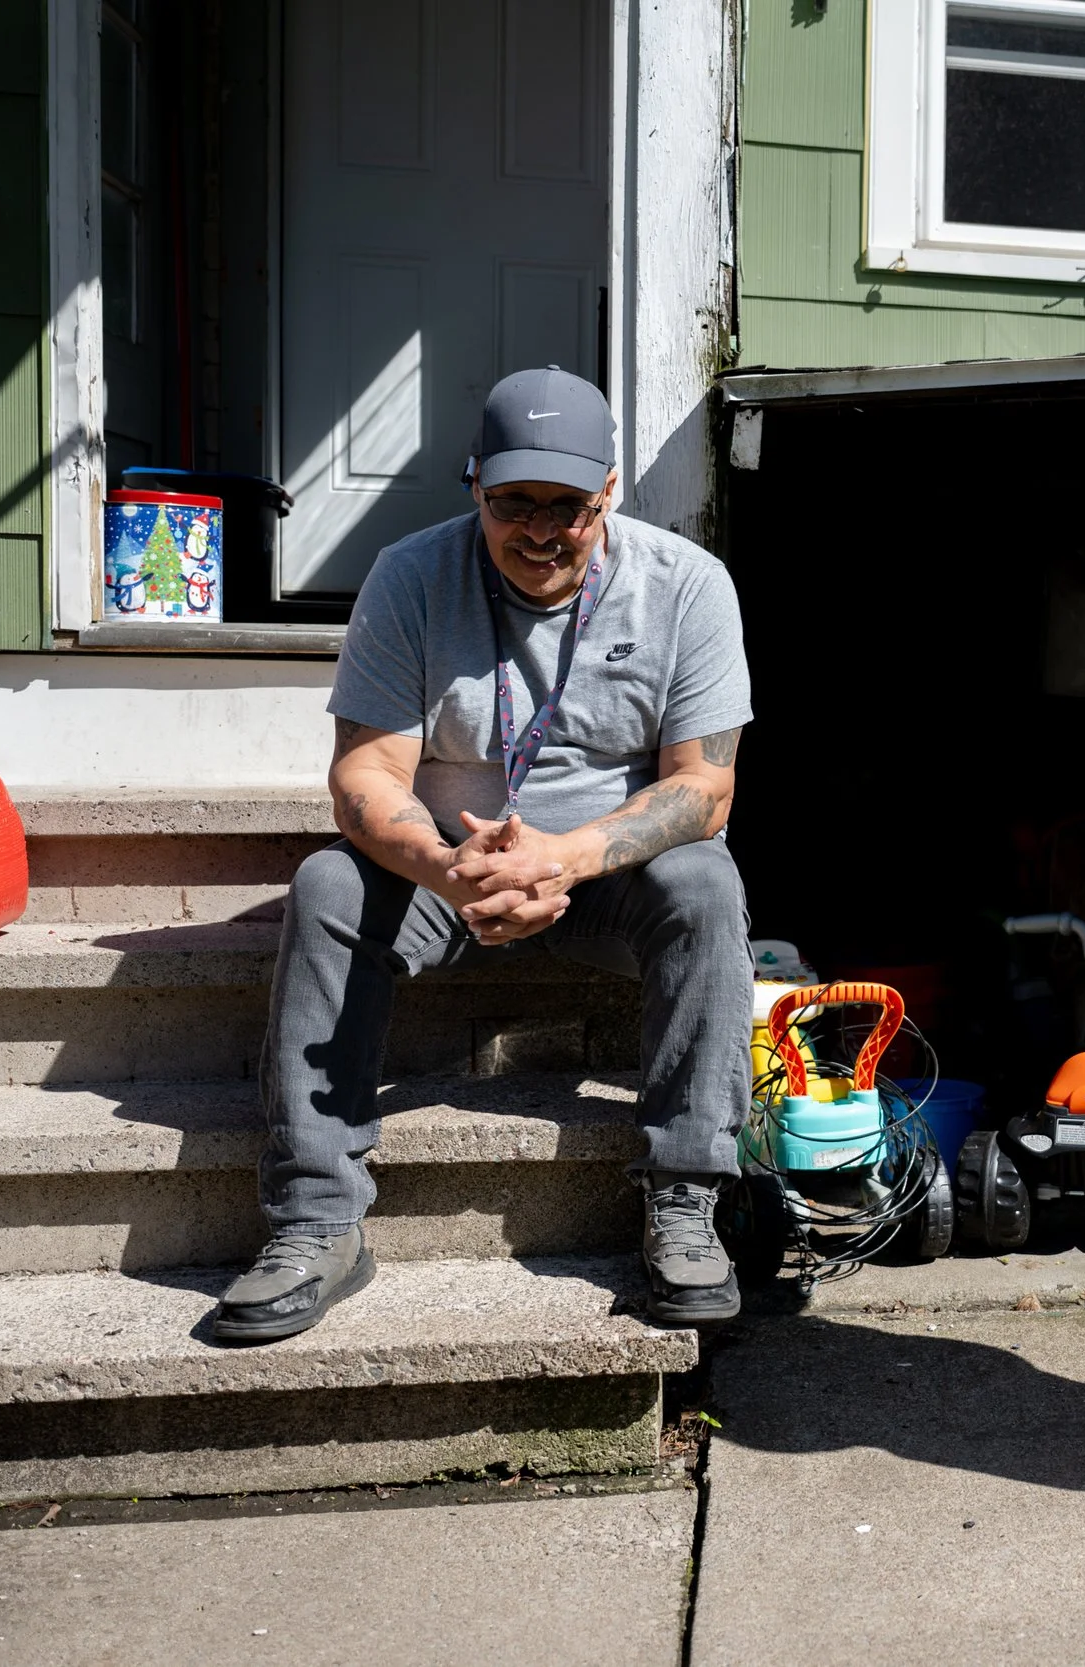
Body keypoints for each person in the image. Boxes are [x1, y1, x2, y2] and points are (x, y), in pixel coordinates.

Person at [212, 366, 756, 1341]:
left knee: (705, 881)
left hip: (608, 878)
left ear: (610, 490)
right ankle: (316, 1221)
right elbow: (365, 774)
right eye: (514, 503)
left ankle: (685, 1200)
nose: (540, 530)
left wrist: (564, 858)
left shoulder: (686, 585)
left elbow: (705, 788)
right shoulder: (411, 576)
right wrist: (449, 867)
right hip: (447, 872)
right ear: (475, 485)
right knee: (329, 884)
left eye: (567, 507)